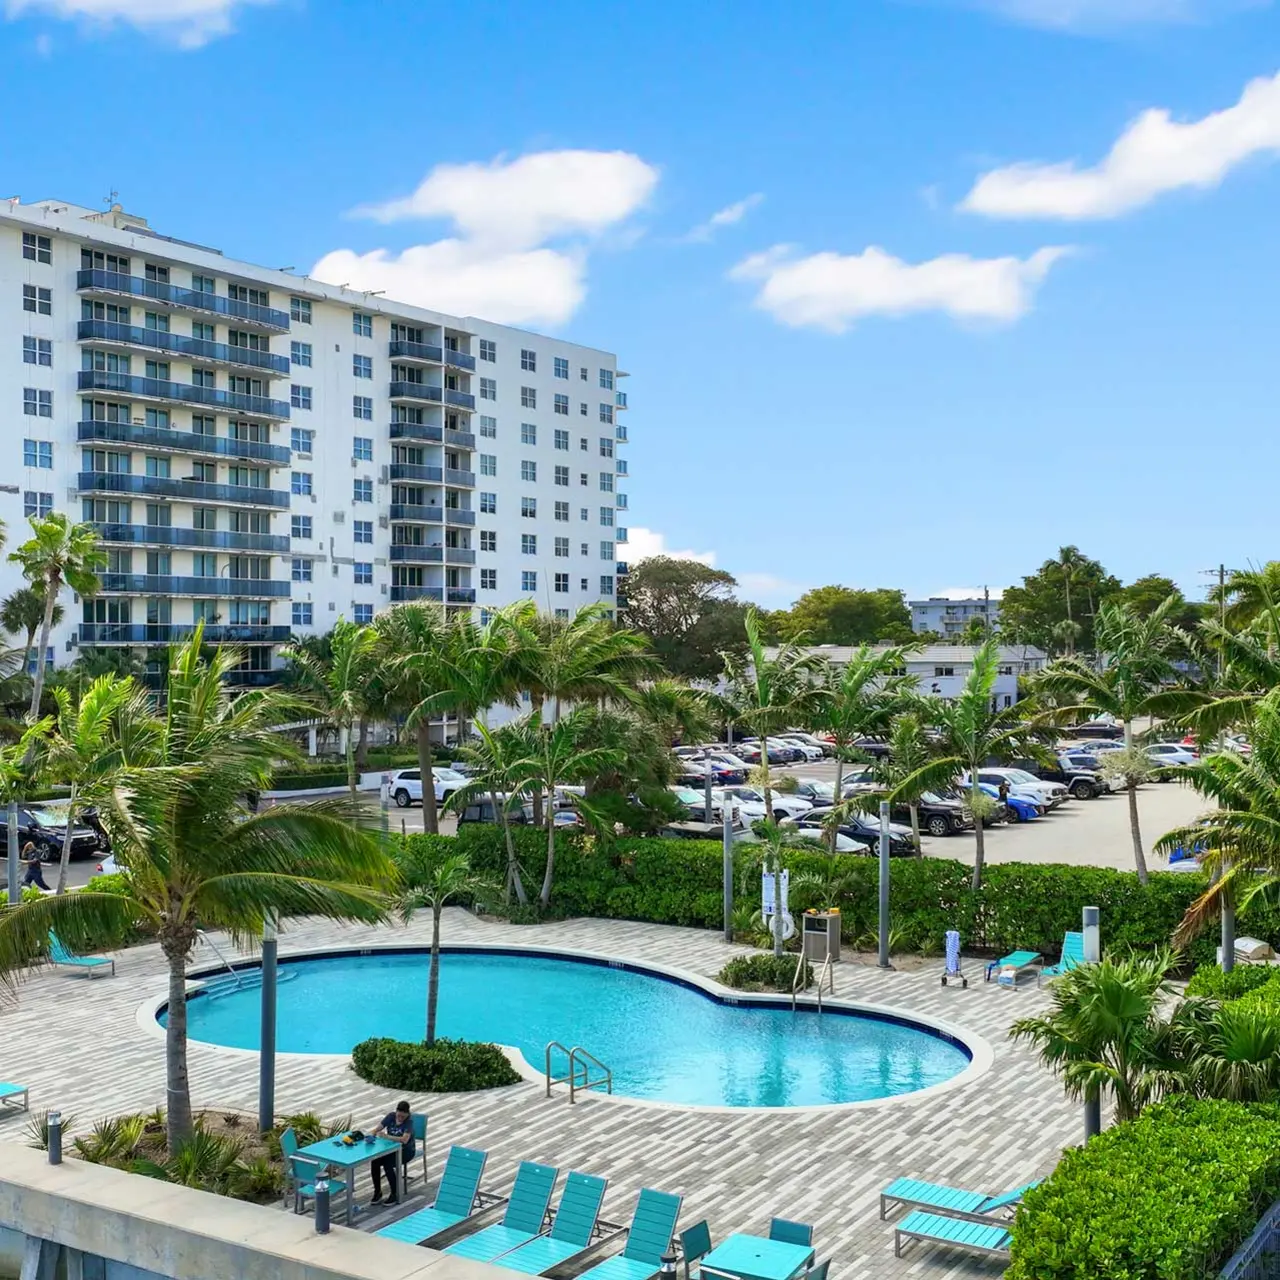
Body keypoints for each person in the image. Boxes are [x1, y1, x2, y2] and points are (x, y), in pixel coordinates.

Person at [369, 1101, 415, 1205]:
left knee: (387, 1164)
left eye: (403, 1117)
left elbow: (404, 1140)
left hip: (405, 1151)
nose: (400, 1118)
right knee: (375, 1161)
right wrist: (373, 1134)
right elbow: (377, 1129)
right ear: (396, 1111)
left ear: (407, 1114)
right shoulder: (391, 1116)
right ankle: (377, 1192)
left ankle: (395, 1193)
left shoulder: (409, 1122)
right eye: (399, 1115)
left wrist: (387, 1137)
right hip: (390, 1150)